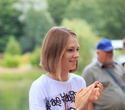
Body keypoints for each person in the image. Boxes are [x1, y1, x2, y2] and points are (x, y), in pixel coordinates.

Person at [29, 26, 103, 110]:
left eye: (77, 49)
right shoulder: (39, 86)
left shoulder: (79, 82)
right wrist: (75, 108)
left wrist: (87, 100)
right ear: (55, 52)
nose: (77, 55)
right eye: (70, 50)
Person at [82, 38, 125, 110]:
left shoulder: (119, 66)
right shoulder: (89, 70)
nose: (110, 54)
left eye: (111, 51)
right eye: (107, 52)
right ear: (98, 53)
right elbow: (87, 98)